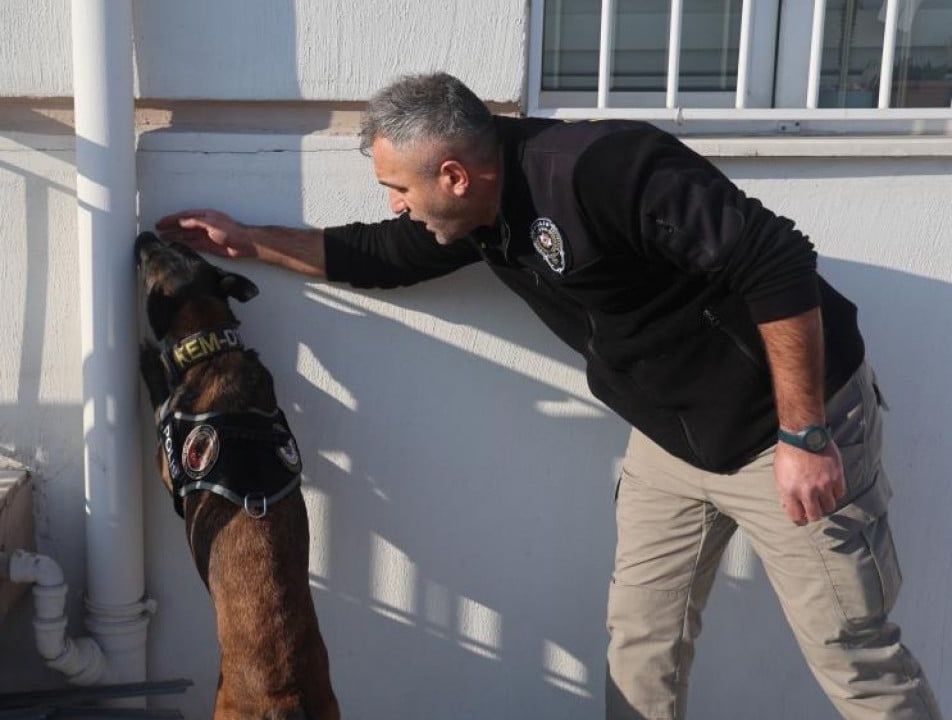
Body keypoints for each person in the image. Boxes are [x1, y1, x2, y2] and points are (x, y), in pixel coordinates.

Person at [155, 72, 943, 720]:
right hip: (674, 443)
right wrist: (248, 241)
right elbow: (379, 252)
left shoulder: (602, 169)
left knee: (852, 651)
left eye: (398, 186)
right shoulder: (476, 216)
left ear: (453, 175)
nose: (395, 202)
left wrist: (805, 436)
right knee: (641, 646)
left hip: (786, 430)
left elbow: (778, 263)